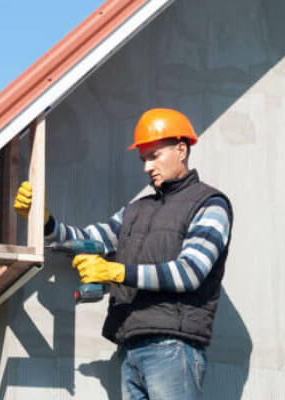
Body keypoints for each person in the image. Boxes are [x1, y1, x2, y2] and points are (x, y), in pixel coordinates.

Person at [13, 108, 233, 399]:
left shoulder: (210, 204)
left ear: (181, 149)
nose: (146, 167)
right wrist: (44, 221)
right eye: (143, 159)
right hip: (129, 347)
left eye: (154, 156)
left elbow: (189, 272)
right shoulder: (136, 210)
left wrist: (116, 272)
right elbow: (88, 239)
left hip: (173, 346)